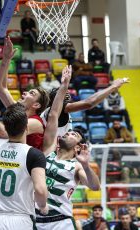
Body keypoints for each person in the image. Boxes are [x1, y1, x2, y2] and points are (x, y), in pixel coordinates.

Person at [0, 37, 129, 149]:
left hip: (49, 162)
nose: (68, 97)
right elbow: (0, 89)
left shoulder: (43, 118)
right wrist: (6, 59)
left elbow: (89, 103)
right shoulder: (31, 112)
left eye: (31, 93)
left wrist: (112, 87)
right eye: (64, 96)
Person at [35, 64, 100, 230]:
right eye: (68, 133)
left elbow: (95, 187)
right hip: (34, 219)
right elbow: (54, 114)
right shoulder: (48, 150)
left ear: (78, 147)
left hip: (60, 221)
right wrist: (64, 85)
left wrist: (86, 165)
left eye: (74, 135)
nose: (68, 133)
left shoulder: (77, 166)